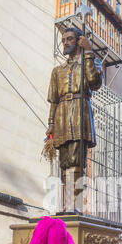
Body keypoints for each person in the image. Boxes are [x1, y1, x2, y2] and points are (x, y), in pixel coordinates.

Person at [46, 27, 103, 172]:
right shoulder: (57, 70)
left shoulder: (91, 61)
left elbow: (94, 82)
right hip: (62, 116)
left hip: (80, 112)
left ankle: (74, 195)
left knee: (76, 161)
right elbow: (54, 99)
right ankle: (69, 194)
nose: (65, 43)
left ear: (79, 42)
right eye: (63, 40)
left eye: (69, 39)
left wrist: (89, 52)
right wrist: (51, 124)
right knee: (64, 164)